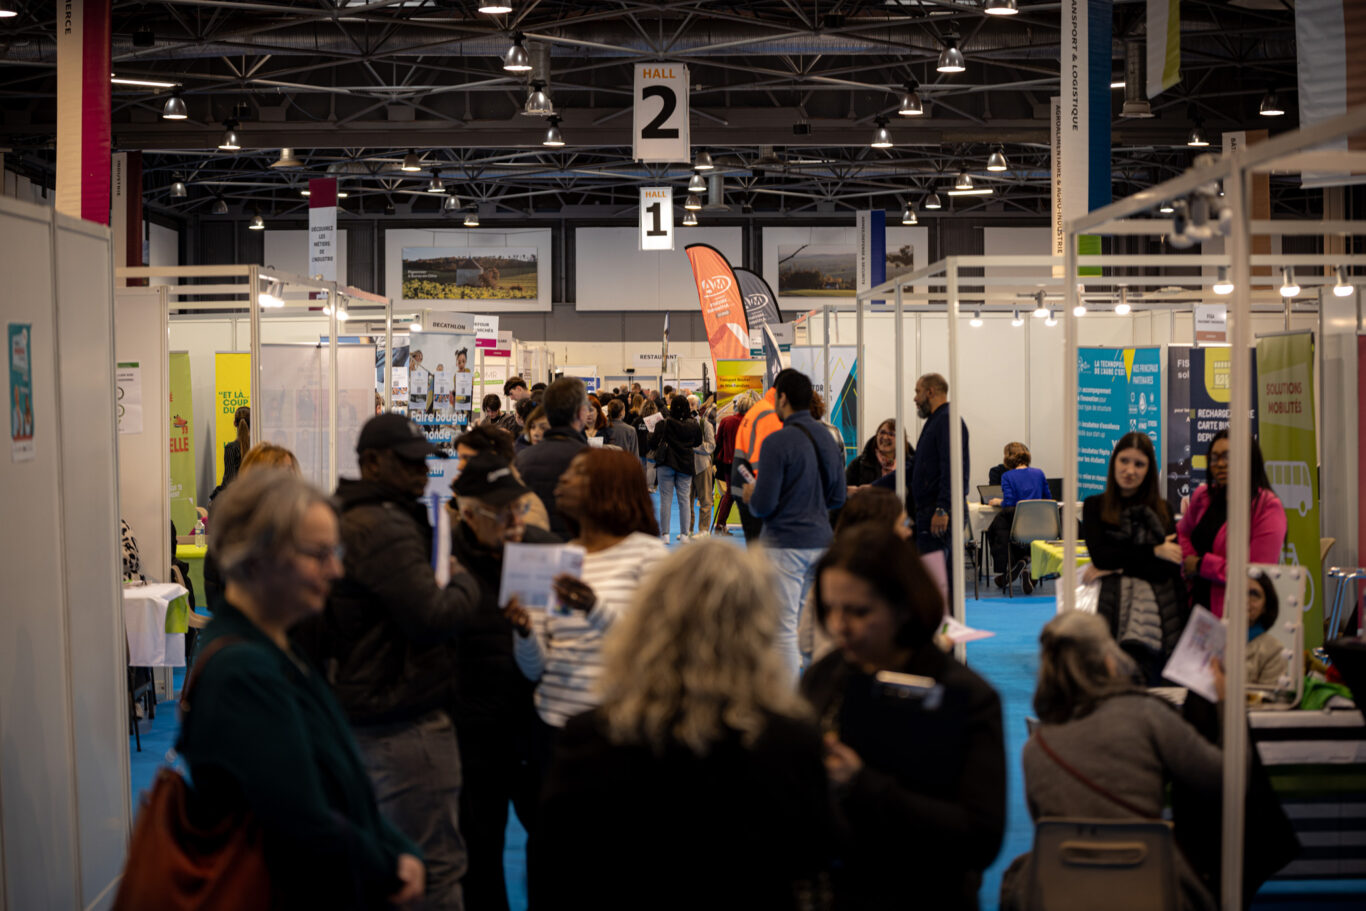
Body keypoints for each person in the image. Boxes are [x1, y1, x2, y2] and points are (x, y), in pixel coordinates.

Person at [533, 540, 836, 909]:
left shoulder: (592, 736)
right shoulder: (790, 742)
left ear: (650, 621)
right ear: (759, 628)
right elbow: (812, 865)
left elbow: (553, 868)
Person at [179, 470, 426, 908]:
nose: (336, 569)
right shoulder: (243, 673)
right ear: (257, 558)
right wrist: (387, 865)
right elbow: (300, 823)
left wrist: (394, 846)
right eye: (319, 554)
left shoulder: (276, 645)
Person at [294, 413, 483, 910]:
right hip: (403, 722)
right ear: (372, 463)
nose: (423, 474)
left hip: (362, 713)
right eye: (409, 463)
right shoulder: (384, 525)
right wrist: (465, 580)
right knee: (434, 870)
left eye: (424, 463)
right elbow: (432, 615)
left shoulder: (350, 515)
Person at [803, 527, 1006, 910]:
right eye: (830, 609)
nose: (839, 626)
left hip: (927, 892)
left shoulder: (966, 696)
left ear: (903, 607)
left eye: (859, 611)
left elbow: (980, 838)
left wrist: (862, 783)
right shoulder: (825, 677)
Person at [999, 611, 1223, 911]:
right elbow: (1224, 778)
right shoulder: (1147, 716)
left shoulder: (1035, 749)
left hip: (1062, 894)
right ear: (1107, 659)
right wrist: (1225, 702)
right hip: (1151, 890)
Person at [447, 453, 560, 911]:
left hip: (535, 726)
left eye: (518, 507)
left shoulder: (541, 548)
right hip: (473, 733)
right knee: (479, 853)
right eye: (501, 513)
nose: (515, 521)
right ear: (469, 514)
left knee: (554, 845)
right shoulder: (446, 560)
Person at [508, 449, 664, 766]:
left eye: (578, 472)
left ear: (611, 485)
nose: (563, 478)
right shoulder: (557, 559)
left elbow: (656, 648)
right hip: (554, 726)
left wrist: (596, 609)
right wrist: (523, 631)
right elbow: (535, 668)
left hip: (620, 730)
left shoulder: (650, 556)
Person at [742, 369, 847, 677]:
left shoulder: (777, 441)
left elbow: (764, 505)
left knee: (784, 628)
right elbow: (838, 496)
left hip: (785, 544)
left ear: (783, 397)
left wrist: (752, 494)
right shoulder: (829, 437)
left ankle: (787, 708)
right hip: (822, 540)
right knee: (814, 626)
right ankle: (817, 698)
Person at [1082, 432, 1188, 685]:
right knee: (1112, 685)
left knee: (1156, 688)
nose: (1130, 470)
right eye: (1124, 461)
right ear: (1114, 462)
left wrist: (1116, 567)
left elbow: (1167, 567)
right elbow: (1101, 556)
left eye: (1139, 464)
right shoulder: (1095, 506)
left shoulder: (1162, 509)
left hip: (1163, 613)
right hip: (1112, 609)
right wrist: (1152, 551)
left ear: (1149, 469)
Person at [1176, 429, 1286, 618]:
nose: (1220, 464)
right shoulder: (1203, 496)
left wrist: (1202, 565)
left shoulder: (1266, 507)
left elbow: (1257, 572)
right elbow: (1182, 533)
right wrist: (1189, 559)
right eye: (1215, 458)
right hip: (1195, 607)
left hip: (1238, 615)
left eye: (1228, 457)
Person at [797, 487, 912, 667]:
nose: (907, 532)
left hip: (825, 680)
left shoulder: (827, 576)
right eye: (902, 525)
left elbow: (804, 641)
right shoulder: (893, 586)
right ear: (882, 529)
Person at [513, 377, 591, 536]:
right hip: (578, 551)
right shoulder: (593, 460)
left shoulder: (522, 459)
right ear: (581, 413)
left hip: (534, 550)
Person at [911, 373, 970, 581]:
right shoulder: (937, 421)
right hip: (933, 510)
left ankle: (943, 614)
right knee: (938, 579)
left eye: (917, 392)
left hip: (939, 512)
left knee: (935, 581)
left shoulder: (946, 421)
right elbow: (917, 467)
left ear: (930, 392)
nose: (915, 399)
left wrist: (942, 508)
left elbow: (953, 467)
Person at [453, 425, 550, 531]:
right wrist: (456, 504)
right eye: (460, 459)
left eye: (467, 458)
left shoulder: (524, 503)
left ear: (493, 456)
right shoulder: (473, 494)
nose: (460, 466)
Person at [987, 442, 1051, 590]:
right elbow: (1048, 498)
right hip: (1041, 525)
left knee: (999, 530)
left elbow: (1009, 502)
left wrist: (998, 501)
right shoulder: (1039, 473)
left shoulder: (1007, 476)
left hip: (1018, 523)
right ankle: (1027, 567)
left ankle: (1014, 565)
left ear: (1007, 458)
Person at [732, 385, 783, 543]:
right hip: (755, 490)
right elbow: (760, 459)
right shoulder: (770, 414)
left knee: (755, 547)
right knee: (763, 551)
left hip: (744, 485)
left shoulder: (760, 409)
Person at [648, 395, 702, 542]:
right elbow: (698, 442)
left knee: (666, 499)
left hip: (666, 463)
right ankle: (684, 534)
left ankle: (665, 534)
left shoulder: (663, 423)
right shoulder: (694, 425)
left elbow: (652, 444)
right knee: (684, 500)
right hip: (685, 464)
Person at [711, 391, 754, 535]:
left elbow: (717, 442)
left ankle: (720, 525)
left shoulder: (726, 421)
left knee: (729, 494)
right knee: (750, 493)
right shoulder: (751, 423)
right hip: (748, 464)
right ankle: (751, 525)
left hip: (729, 463)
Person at [846, 418, 913, 492]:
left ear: (901, 439)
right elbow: (844, 491)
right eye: (882, 432)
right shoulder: (858, 464)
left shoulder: (910, 466)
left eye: (891, 434)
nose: (885, 437)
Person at [1246, 571, 1288, 687]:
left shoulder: (1273, 649)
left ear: (1265, 606)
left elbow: (1265, 702)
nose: (1246, 600)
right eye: (1239, 592)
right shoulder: (1216, 637)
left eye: (1254, 594)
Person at [685, 393, 716, 537]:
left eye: (693, 404)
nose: (691, 407)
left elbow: (711, 446)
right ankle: (688, 529)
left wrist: (693, 447)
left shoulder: (705, 424)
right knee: (686, 499)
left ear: (698, 406)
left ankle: (703, 530)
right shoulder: (682, 424)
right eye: (688, 404)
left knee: (705, 499)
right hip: (686, 465)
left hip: (703, 465)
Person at [221, 405, 250, 487]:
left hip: (238, 496)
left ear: (234, 423)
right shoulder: (259, 447)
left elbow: (229, 481)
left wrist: (212, 496)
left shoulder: (231, 448)